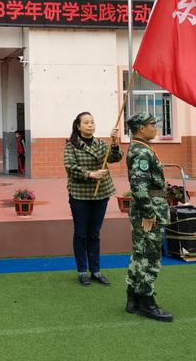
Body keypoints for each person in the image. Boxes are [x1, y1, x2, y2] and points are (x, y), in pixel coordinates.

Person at [64, 111, 123, 286]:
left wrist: (114, 142)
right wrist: (91, 174)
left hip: (101, 193)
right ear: (78, 126)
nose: (90, 125)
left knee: (94, 233)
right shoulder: (71, 146)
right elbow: (70, 167)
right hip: (80, 194)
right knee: (81, 233)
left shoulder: (100, 143)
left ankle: (95, 270)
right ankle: (82, 270)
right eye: (87, 122)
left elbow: (115, 158)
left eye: (92, 122)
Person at [125, 112, 173, 322]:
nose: (156, 127)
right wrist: (149, 212)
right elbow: (139, 186)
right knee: (150, 256)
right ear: (142, 128)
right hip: (149, 210)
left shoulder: (141, 148)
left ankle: (133, 298)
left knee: (140, 253)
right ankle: (146, 301)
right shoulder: (142, 153)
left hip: (149, 206)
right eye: (153, 124)